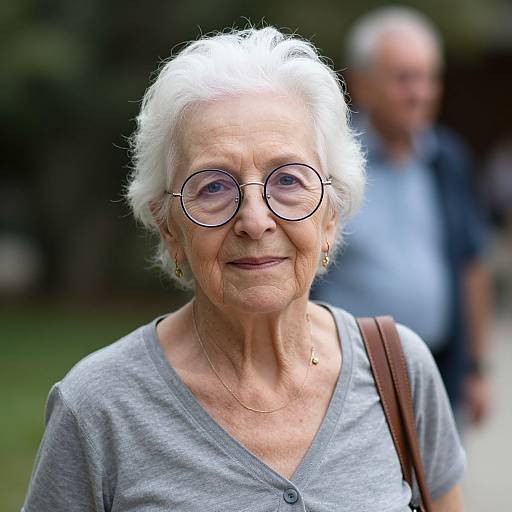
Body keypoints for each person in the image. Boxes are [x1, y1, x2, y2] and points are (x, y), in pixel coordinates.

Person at [23, 27, 465, 511]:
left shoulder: (400, 371)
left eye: (289, 180)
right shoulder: (98, 408)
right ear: (169, 227)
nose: (254, 221)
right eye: (213, 186)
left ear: (331, 215)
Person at [311, 7, 491, 424]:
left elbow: (471, 263)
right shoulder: (328, 165)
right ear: (362, 84)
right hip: (349, 379)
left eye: (430, 77)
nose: (421, 92)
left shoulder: (447, 159)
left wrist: (476, 369)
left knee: (438, 488)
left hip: (438, 371)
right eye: (405, 78)